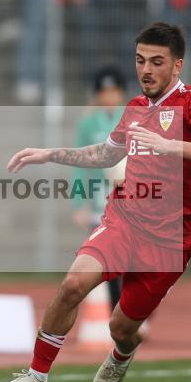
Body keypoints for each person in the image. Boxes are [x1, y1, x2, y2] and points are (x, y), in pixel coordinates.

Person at [0, 22, 191, 382]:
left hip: (171, 239)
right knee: (73, 284)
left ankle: (122, 351)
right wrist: (50, 154)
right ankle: (36, 375)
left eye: (157, 62)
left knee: (121, 326)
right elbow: (106, 153)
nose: (146, 70)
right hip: (124, 218)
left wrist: (169, 146)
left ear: (177, 66)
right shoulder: (135, 108)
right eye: (140, 61)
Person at [71, 66, 127, 310]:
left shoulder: (133, 118)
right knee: (109, 261)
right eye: (104, 92)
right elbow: (79, 165)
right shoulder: (88, 124)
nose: (109, 98)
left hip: (131, 200)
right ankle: (118, 313)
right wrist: (79, 203)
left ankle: (136, 310)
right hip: (100, 201)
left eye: (114, 91)